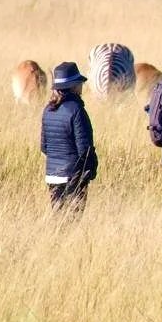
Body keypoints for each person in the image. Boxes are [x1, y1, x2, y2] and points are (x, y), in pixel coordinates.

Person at [41, 61, 98, 213]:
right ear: (73, 86)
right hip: (73, 174)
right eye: (79, 82)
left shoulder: (48, 110)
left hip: (52, 176)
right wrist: (90, 169)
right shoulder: (76, 109)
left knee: (58, 220)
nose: (81, 86)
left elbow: (44, 147)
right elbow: (84, 148)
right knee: (73, 219)